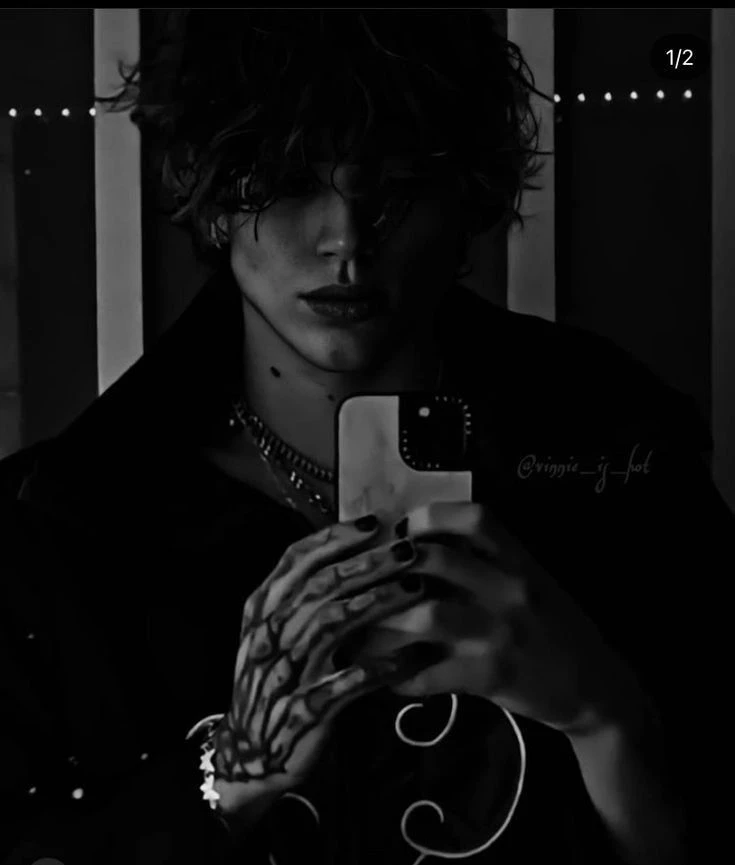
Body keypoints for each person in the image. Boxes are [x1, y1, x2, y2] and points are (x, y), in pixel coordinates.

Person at [0, 10, 731, 865]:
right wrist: (222, 778)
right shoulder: (61, 526)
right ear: (208, 192)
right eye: (287, 179)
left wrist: (602, 715)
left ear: (462, 195)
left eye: (396, 182)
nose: (346, 238)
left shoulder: (616, 455)